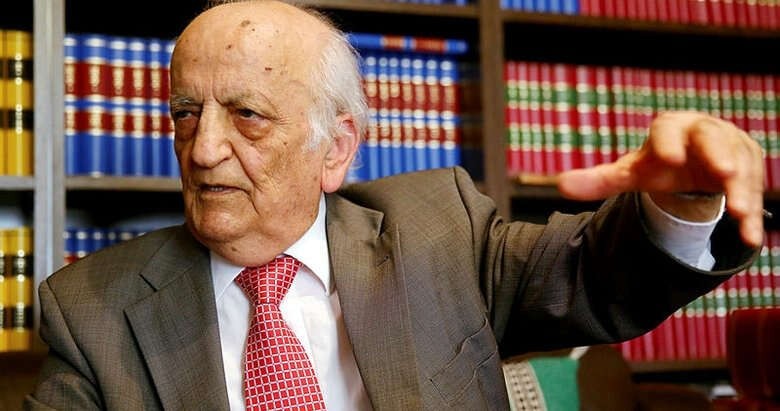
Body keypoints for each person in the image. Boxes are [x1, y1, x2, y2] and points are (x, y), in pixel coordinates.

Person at [26, 1, 763, 410]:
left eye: (247, 115)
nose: (203, 148)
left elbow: (599, 278)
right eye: (186, 113)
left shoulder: (440, 232)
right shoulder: (90, 308)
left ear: (336, 148)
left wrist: (683, 198)